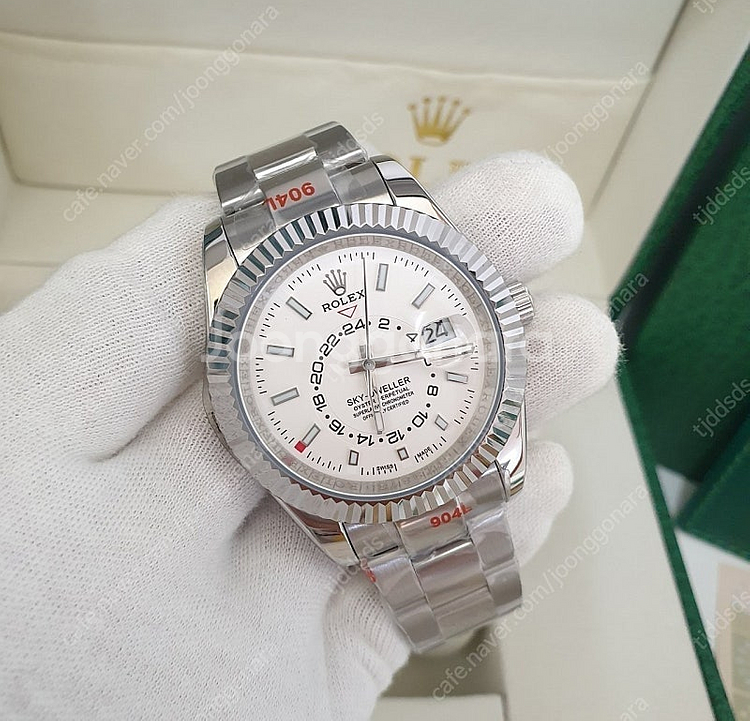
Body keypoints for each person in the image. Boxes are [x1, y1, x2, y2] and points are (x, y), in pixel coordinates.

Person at [0, 151, 618, 719]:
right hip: (347, 485)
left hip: (448, 450)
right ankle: (452, 617)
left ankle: (457, 612)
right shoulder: (246, 406)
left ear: (504, 316)